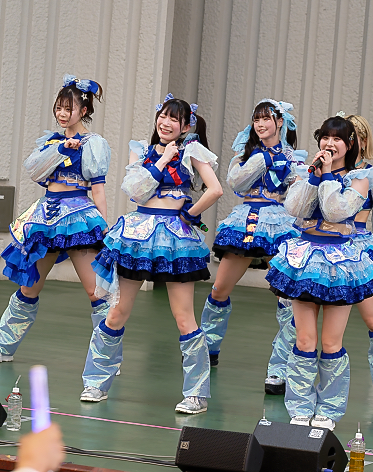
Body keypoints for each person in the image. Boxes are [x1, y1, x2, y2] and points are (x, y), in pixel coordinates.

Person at [81, 94, 222, 414]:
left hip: (176, 240)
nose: (166, 122)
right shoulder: (141, 150)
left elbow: (215, 189)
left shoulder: (192, 151)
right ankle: (95, 382)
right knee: (117, 311)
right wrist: (162, 159)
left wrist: (190, 214)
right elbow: (134, 190)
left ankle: (196, 394)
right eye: (163, 115)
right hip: (136, 236)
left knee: (184, 317)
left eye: (174, 119)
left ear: (186, 126)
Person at [263, 113, 373, 410]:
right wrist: (317, 175)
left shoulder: (367, 175)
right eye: (326, 137)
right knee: (299, 326)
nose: (330, 144)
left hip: (354, 255)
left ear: (356, 142)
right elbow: (296, 208)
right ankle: (282, 377)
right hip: (311, 252)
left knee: (370, 320)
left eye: (341, 138)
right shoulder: (312, 170)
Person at [0, 75, 110, 361]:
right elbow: (35, 171)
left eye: (68, 108)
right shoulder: (52, 141)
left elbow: (98, 188)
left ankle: (106, 356)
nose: (62, 114)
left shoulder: (93, 143)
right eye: (59, 107)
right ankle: (3, 346)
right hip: (47, 217)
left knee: (97, 292)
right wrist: (60, 149)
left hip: (79, 218)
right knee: (29, 287)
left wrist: (103, 225)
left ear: (83, 110)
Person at [202, 99, 305, 367]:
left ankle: (282, 362)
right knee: (219, 289)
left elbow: (299, 196)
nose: (260, 124)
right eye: (256, 119)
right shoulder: (245, 154)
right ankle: (208, 347)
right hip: (244, 221)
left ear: (280, 122)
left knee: (287, 295)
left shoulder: (294, 158)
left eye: (266, 118)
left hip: (279, 225)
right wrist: (263, 158)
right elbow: (236, 182)